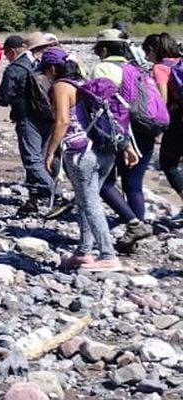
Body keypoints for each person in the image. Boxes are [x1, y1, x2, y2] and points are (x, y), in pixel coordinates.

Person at [41, 46, 120, 272]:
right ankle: (84, 251)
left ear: (53, 68)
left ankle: (108, 255)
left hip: (80, 152)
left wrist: (50, 151)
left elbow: (62, 121)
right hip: (104, 150)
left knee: (90, 202)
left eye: (46, 70)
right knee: (85, 200)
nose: (46, 75)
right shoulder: (83, 83)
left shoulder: (61, 86)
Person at [92, 29, 155, 248]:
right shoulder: (137, 68)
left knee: (104, 182)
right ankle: (134, 235)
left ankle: (134, 224)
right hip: (146, 128)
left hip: (120, 131)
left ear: (104, 48)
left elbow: (100, 103)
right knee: (133, 184)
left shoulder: (102, 68)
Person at [0, 34, 55, 216]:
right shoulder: (43, 64)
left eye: (6, 54)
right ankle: (33, 200)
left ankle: (57, 194)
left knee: (32, 160)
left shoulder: (15, 68)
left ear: (12, 51)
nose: (6, 57)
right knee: (42, 159)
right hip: (47, 116)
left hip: (27, 118)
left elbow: (4, 99)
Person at [146, 33, 183, 202]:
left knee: (169, 163)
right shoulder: (181, 61)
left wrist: (157, 129)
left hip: (177, 120)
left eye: (148, 52)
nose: (147, 57)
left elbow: (163, 99)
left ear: (154, 51)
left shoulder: (160, 68)